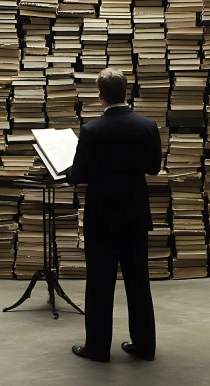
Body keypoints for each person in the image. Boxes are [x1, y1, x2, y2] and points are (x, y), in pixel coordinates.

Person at [66, 68, 161, 362]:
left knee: (99, 284)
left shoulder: (92, 130)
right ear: (126, 91)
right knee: (138, 282)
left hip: (102, 217)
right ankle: (144, 347)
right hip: (134, 216)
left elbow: (78, 175)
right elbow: (153, 168)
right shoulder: (148, 125)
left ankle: (97, 347)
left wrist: (68, 170)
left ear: (100, 95)